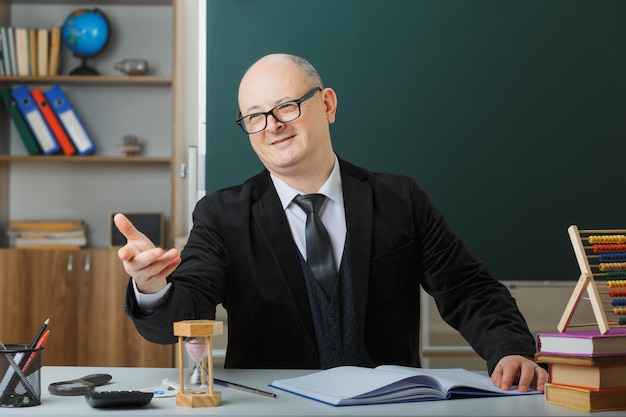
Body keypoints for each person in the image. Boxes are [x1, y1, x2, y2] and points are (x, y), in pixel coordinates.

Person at [115, 53, 548, 392]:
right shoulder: (222, 215)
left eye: (286, 107)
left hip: (390, 407)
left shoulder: (400, 200)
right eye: (255, 117)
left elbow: (468, 288)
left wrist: (512, 350)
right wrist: (152, 288)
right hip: (273, 410)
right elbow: (185, 311)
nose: (273, 127)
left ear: (327, 104)